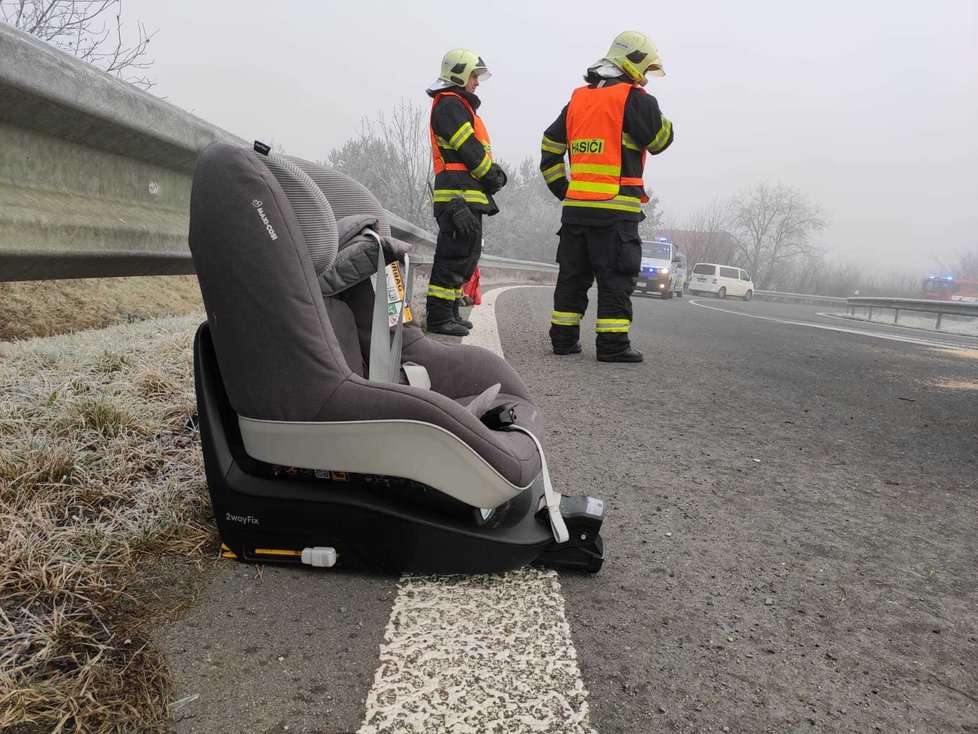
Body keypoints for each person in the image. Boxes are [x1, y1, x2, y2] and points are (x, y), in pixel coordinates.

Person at [539, 31, 674, 362]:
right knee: (615, 278)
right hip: (615, 214)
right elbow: (660, 140)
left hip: (575, 214)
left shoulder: (577, 100)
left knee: (573, 277)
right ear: (634, 64)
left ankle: (563, 340)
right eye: (646, 70)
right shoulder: (635, 99)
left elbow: (549, 150)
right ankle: (613, 345)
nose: (646, 79)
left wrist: (567, 192)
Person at [425, 48, 507, 336]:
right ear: (460, 74)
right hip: (456, 198)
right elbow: (469, 150)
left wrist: (489, 177)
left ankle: (449, 311)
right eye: (474, 75)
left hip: (465, 196)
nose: (477, 82)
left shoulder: (457, 105)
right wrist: (491, 176)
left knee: (464, 256)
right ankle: (438, 317)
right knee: (452, 256)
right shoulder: (449, 105)